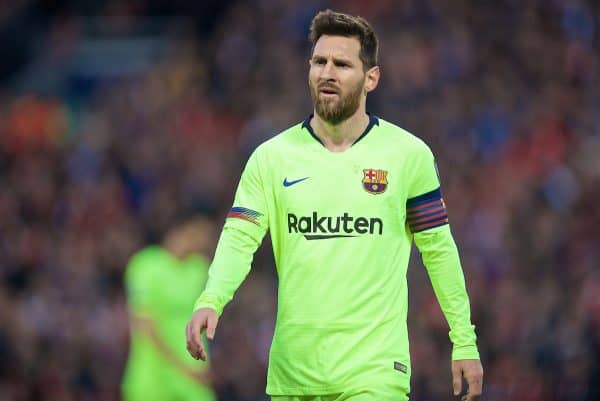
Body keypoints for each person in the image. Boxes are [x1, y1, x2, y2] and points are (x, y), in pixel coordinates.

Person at [186, 9, 483, 401]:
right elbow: (240, 236)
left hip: (374, 374)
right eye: (319, 62)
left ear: (370, 78)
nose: (327, 72)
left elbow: (439, 252)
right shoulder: (271, 158)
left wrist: (464, 340)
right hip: (294, 374)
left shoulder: (407, 156)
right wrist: (212, 298)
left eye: (342, 64)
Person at [122, 215, 217, 401]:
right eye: (199, 233)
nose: (203, 241)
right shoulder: (145, 265)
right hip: (152, 379)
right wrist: (184, 369)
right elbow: (146, 327)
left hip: (194, 379)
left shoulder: (199, 269)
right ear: (181, 230)